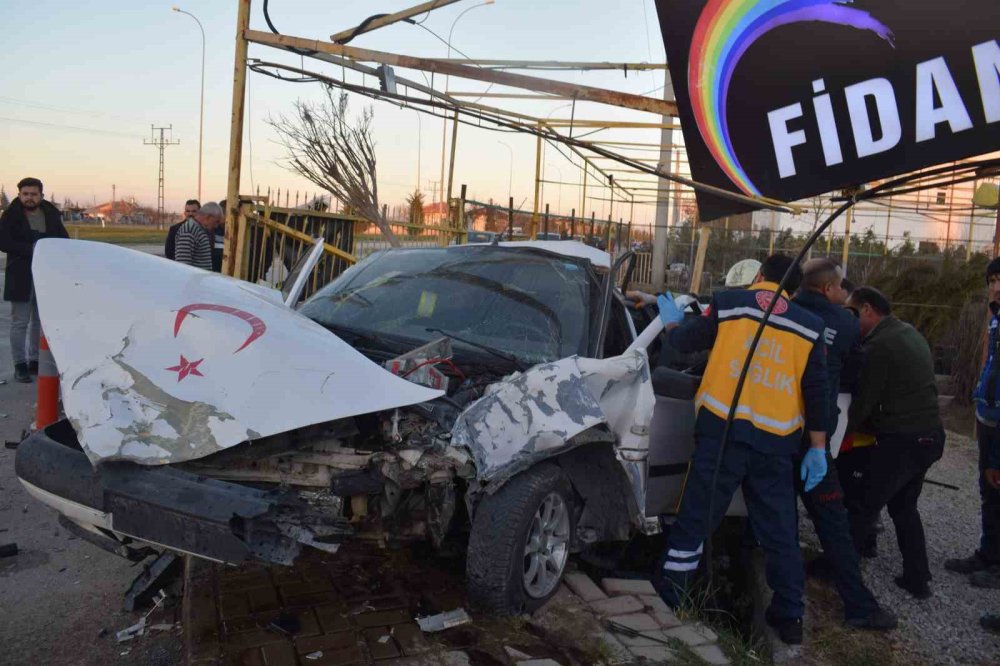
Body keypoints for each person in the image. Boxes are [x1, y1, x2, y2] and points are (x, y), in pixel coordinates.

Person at [653, 254, 828, 645]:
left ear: (760, 275)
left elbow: (683, 344)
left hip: (724, 432)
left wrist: (670, 322)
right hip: (776, 443)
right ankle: (790, 616)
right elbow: (818, 393)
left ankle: (672, 597)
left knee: (697, 516)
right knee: (780, 530)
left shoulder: (731, 304)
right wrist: (818, 448)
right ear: (795, 288)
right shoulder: (810, 326)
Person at [793, 260, 896, 630]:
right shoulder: (844, 322)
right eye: (841, 289)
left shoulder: (784, 309)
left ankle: (784, 600)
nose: (844, 296)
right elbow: (854, 370)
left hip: (774, 433)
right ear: (828, 289)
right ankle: (859, 605)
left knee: (771, 519)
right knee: (833, 523)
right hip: (813, 441)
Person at [845, 286, 944, 599]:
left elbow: (865, 402)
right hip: (929, 436)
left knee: (864, 505)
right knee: (903, 507)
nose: (851, 321)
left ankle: (837, 568)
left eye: (852, 313)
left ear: (868, 310)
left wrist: (840, 431)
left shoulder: (880, 345)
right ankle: (917, 577)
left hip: (902, 439)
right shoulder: (907, 332)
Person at [945, 258, 1000, 595]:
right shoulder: (994, 319)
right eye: (992, 280)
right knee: (988, 492)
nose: (995, 287)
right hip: (989, 417)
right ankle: (988, 553)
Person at [0, 178, 69, 382]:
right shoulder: (10, 215)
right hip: (20, 274)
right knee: (20, 321)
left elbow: (63, 240)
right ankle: (19, 365)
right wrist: (32, 249)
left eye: (33, 194)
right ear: (20, 194)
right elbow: (3, 241)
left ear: (41, 195)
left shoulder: (51, 214)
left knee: (40, 320)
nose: (29, 198)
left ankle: (35, 360)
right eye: (25, 194)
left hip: (46, 274)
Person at [174, 202, 222, 270]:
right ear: (208, 217)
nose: (216, 226)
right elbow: (183, 265)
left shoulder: (200, 229)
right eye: (216, 221)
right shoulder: (189, 231)